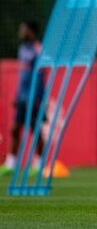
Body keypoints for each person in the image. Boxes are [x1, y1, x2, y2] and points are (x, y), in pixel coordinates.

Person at [1, 21, 45, 176]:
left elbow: (40, 75)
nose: (21, 32)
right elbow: (23, 76)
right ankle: (11, 163)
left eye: (24, 29)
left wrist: (39, 96)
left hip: (34, 97)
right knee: (14, 128)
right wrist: (18, 94)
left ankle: (39, 164)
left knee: (36, 130)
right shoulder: (22, 49)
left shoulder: (38, 49)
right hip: (22, 97)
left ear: (31, 32)